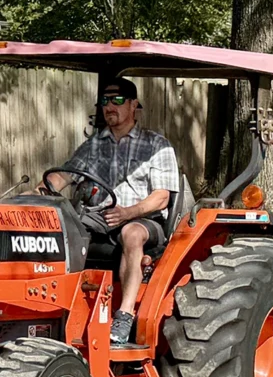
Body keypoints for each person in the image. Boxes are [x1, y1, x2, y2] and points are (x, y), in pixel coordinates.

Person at [43, 78, 178, 344]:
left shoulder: (156, 145)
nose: (109, 106)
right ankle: (56, 310)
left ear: (133, 105)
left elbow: (161, 198)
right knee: (60, 230)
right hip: (99, 216)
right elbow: (65, 176)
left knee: (132, 234)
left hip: (143, 219)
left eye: (117, 100)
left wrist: (129, 212)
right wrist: (39, 191)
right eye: (105, 101)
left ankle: (125, 314)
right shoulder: (94, 145)